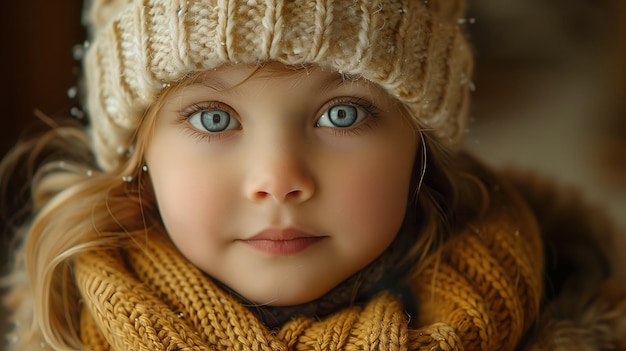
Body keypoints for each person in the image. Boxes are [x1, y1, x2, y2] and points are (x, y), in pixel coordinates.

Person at [2, 0, 625, 350]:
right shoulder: (61, 333)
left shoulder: (574, 313)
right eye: (215, 119)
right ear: (139, 155)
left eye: (342, 113)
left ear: (421, 143)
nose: (279, 180)